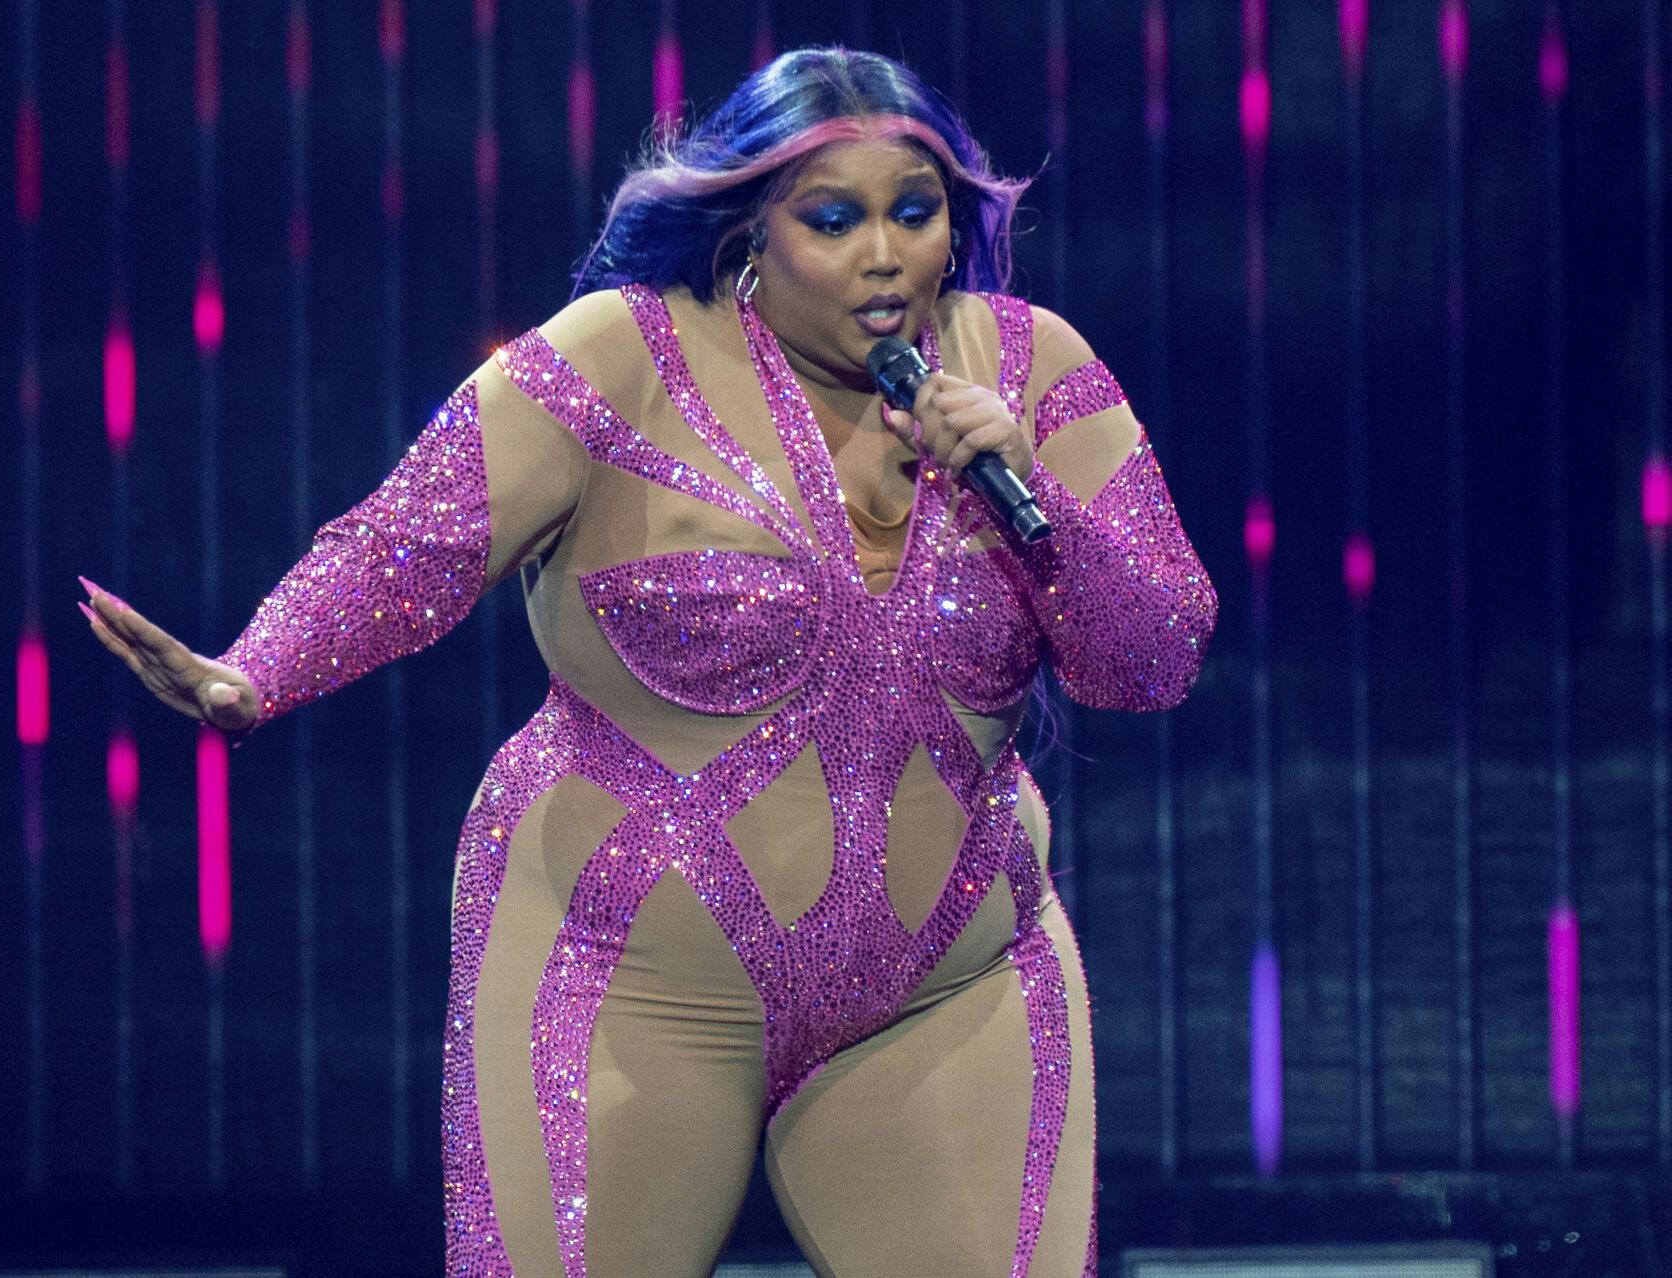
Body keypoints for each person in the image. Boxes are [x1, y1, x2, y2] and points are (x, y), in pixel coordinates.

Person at [80, 46, 1214, 1278]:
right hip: (628, 970)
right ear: (751, 232)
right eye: (833, 221)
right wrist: (256, 674)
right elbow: (405, 545)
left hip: (951, 982)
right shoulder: (619, 354)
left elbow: (1153, 659)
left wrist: (1031, 499)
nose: (885, 255)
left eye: (914, 211)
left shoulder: (1033, 370)